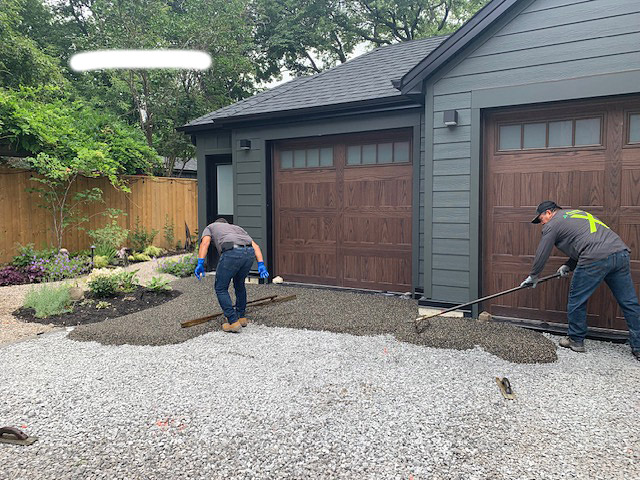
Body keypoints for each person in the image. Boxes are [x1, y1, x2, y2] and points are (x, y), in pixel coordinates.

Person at [520, 201, 640, 360]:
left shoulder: (553, 224)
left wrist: (533, 276)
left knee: (577, 299)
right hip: (620, 254)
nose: (541, 223)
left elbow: (543, 251)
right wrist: (568, 265)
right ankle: (638, 347)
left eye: (541, 218)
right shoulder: (577, 214)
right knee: (629, 302)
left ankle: (576, 340)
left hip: (594, 258)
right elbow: (587, 241)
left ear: (549, 212)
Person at [194, 218, 269, 333]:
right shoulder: (237, 228)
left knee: (221, 288)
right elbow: (256, 247)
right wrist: (261, 264)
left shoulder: (210, 227)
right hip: (249, 253)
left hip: (231, 252)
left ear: (217, 223)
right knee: (239, 284)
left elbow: (205, 243)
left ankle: (233, 322)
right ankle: (241, 317)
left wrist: (200, 263)